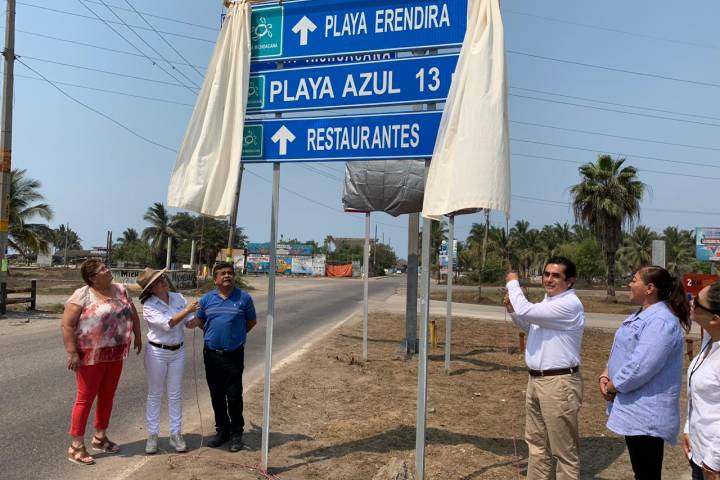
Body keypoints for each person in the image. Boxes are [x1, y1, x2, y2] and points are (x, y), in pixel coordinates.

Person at [599, 266, 690, 480]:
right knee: (641, 472)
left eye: (634, 280)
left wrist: (613, 386)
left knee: (646, 473)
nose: (629, 284)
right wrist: (606, 373)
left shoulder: (661, 321)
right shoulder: (642, 315)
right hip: (634, 407)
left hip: (646, 412)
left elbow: (641, 366)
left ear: (649, 288)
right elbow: (623, 351)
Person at [504, 256, 584, 480]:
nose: (549, 279)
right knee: (536, 445)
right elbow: (531, 326)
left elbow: (526, 310)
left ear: (570, 281)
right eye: (546, 274)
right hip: (536, 381)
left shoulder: (569, 304)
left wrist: (513, 283)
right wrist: (512, 310)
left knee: (564, 451)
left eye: (556, 276)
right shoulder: (548, 302)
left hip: (559, 384)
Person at [61, 259, 142, 465]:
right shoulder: (82, 295)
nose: (108, 270)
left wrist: (138, 335)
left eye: (106, 267)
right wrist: (72, 353)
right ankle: (76, 445)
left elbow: (132, 313)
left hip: (115, 352)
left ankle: (100, 437)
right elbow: (67, 325)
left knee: (107, 395)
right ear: (92, 278)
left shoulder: (121, 290)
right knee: (85, 398)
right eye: (103, 269)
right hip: (90, 355)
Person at [136, 268, 200, 455]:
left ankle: (175, 433)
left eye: (162, 278)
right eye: (157, 281)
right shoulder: (149, 305)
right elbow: (168, 324)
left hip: (177, 351)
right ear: (150, 289)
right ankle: (152, 435)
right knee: (155, 394)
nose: (162, 281)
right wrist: (187, 310)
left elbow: (188, 322)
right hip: (157, 352)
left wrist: (198, 317)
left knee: (175, 393)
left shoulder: (178, 297)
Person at [196, 261, 257, 452]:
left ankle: (237, 432)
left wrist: (235, 337)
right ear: (215, 279)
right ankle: (222, 430)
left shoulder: (244, 298)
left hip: (234, 355)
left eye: (230, 272)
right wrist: (213, 336)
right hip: (211, 354)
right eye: (222, 273)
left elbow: (251, 322)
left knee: (234, 395)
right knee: (216, 395)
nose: (227, 276)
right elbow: (200, 321)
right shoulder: (207, 299)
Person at [683, 282, 720, 480]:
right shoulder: (710, 340)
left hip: (713, 462)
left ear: (715, 319)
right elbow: (697, 396)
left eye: (697, 302)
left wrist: (713, 463)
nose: (691, 302)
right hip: (699, 452)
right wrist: (688, 429)